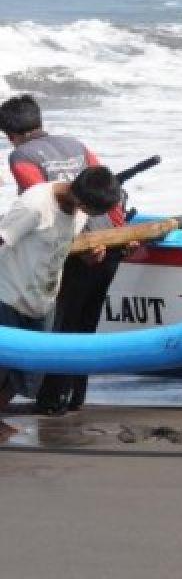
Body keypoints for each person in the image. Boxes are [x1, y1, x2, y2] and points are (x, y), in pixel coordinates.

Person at [0, 94, 127, 414]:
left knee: (60, 328)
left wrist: (85, 244)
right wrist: (119, 233)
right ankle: (74, 397)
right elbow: (107, 181)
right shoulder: (74, 142)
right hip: (106, 242)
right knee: (84, 323)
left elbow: (40, 195)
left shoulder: (22, 157)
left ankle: (52, 400)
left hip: (76, 248)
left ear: (9, 135)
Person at [0, 167, 122, 436]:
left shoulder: (77, 211)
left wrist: (88, 256)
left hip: (43, 298)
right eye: (94, 212)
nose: (92, 218)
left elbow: (60, 246)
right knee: (3, 366)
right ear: (81, 201)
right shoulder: (35, 205)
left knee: (31, 371)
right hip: (8, 294)